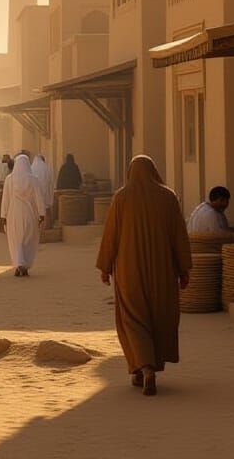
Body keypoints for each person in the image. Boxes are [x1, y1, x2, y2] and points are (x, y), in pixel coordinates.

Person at [97, 155, 193, 397]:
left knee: (133, 318)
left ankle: (144, 367)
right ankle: (150, 368)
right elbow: (179, 236)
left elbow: (111, 235)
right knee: (159, 316)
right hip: (163, 271)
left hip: (130, 272)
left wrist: (105, 267)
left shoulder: (121, 198)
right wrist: (183, 269)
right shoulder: (168, 197)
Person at [1, 154, 46, 277]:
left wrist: (3, 216)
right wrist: (42, 214)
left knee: (16, 240)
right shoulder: (33, 180)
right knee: (27, 240)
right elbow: (39, 198)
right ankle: (24, 265)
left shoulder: (9, 179)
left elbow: (5, 199)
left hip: (13, 214)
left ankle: (18, 263)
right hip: (29, 214)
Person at [31, 155, 54, 226]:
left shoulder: (30, 168)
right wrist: (51, 199)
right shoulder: (48, 168)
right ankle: (47, 230)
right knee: (46, 212)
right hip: (46, 196)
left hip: (34, 199)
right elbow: (51, 183)